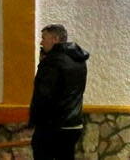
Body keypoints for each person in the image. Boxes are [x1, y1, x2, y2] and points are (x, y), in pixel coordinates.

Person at [29, 24, 90, 160]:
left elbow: (43, 94)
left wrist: (42, 65)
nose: (41, 42)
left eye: (44, 38)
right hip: (74, 123)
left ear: (55, 39)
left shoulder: (52, 62)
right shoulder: (79, 60)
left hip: (53, 125)